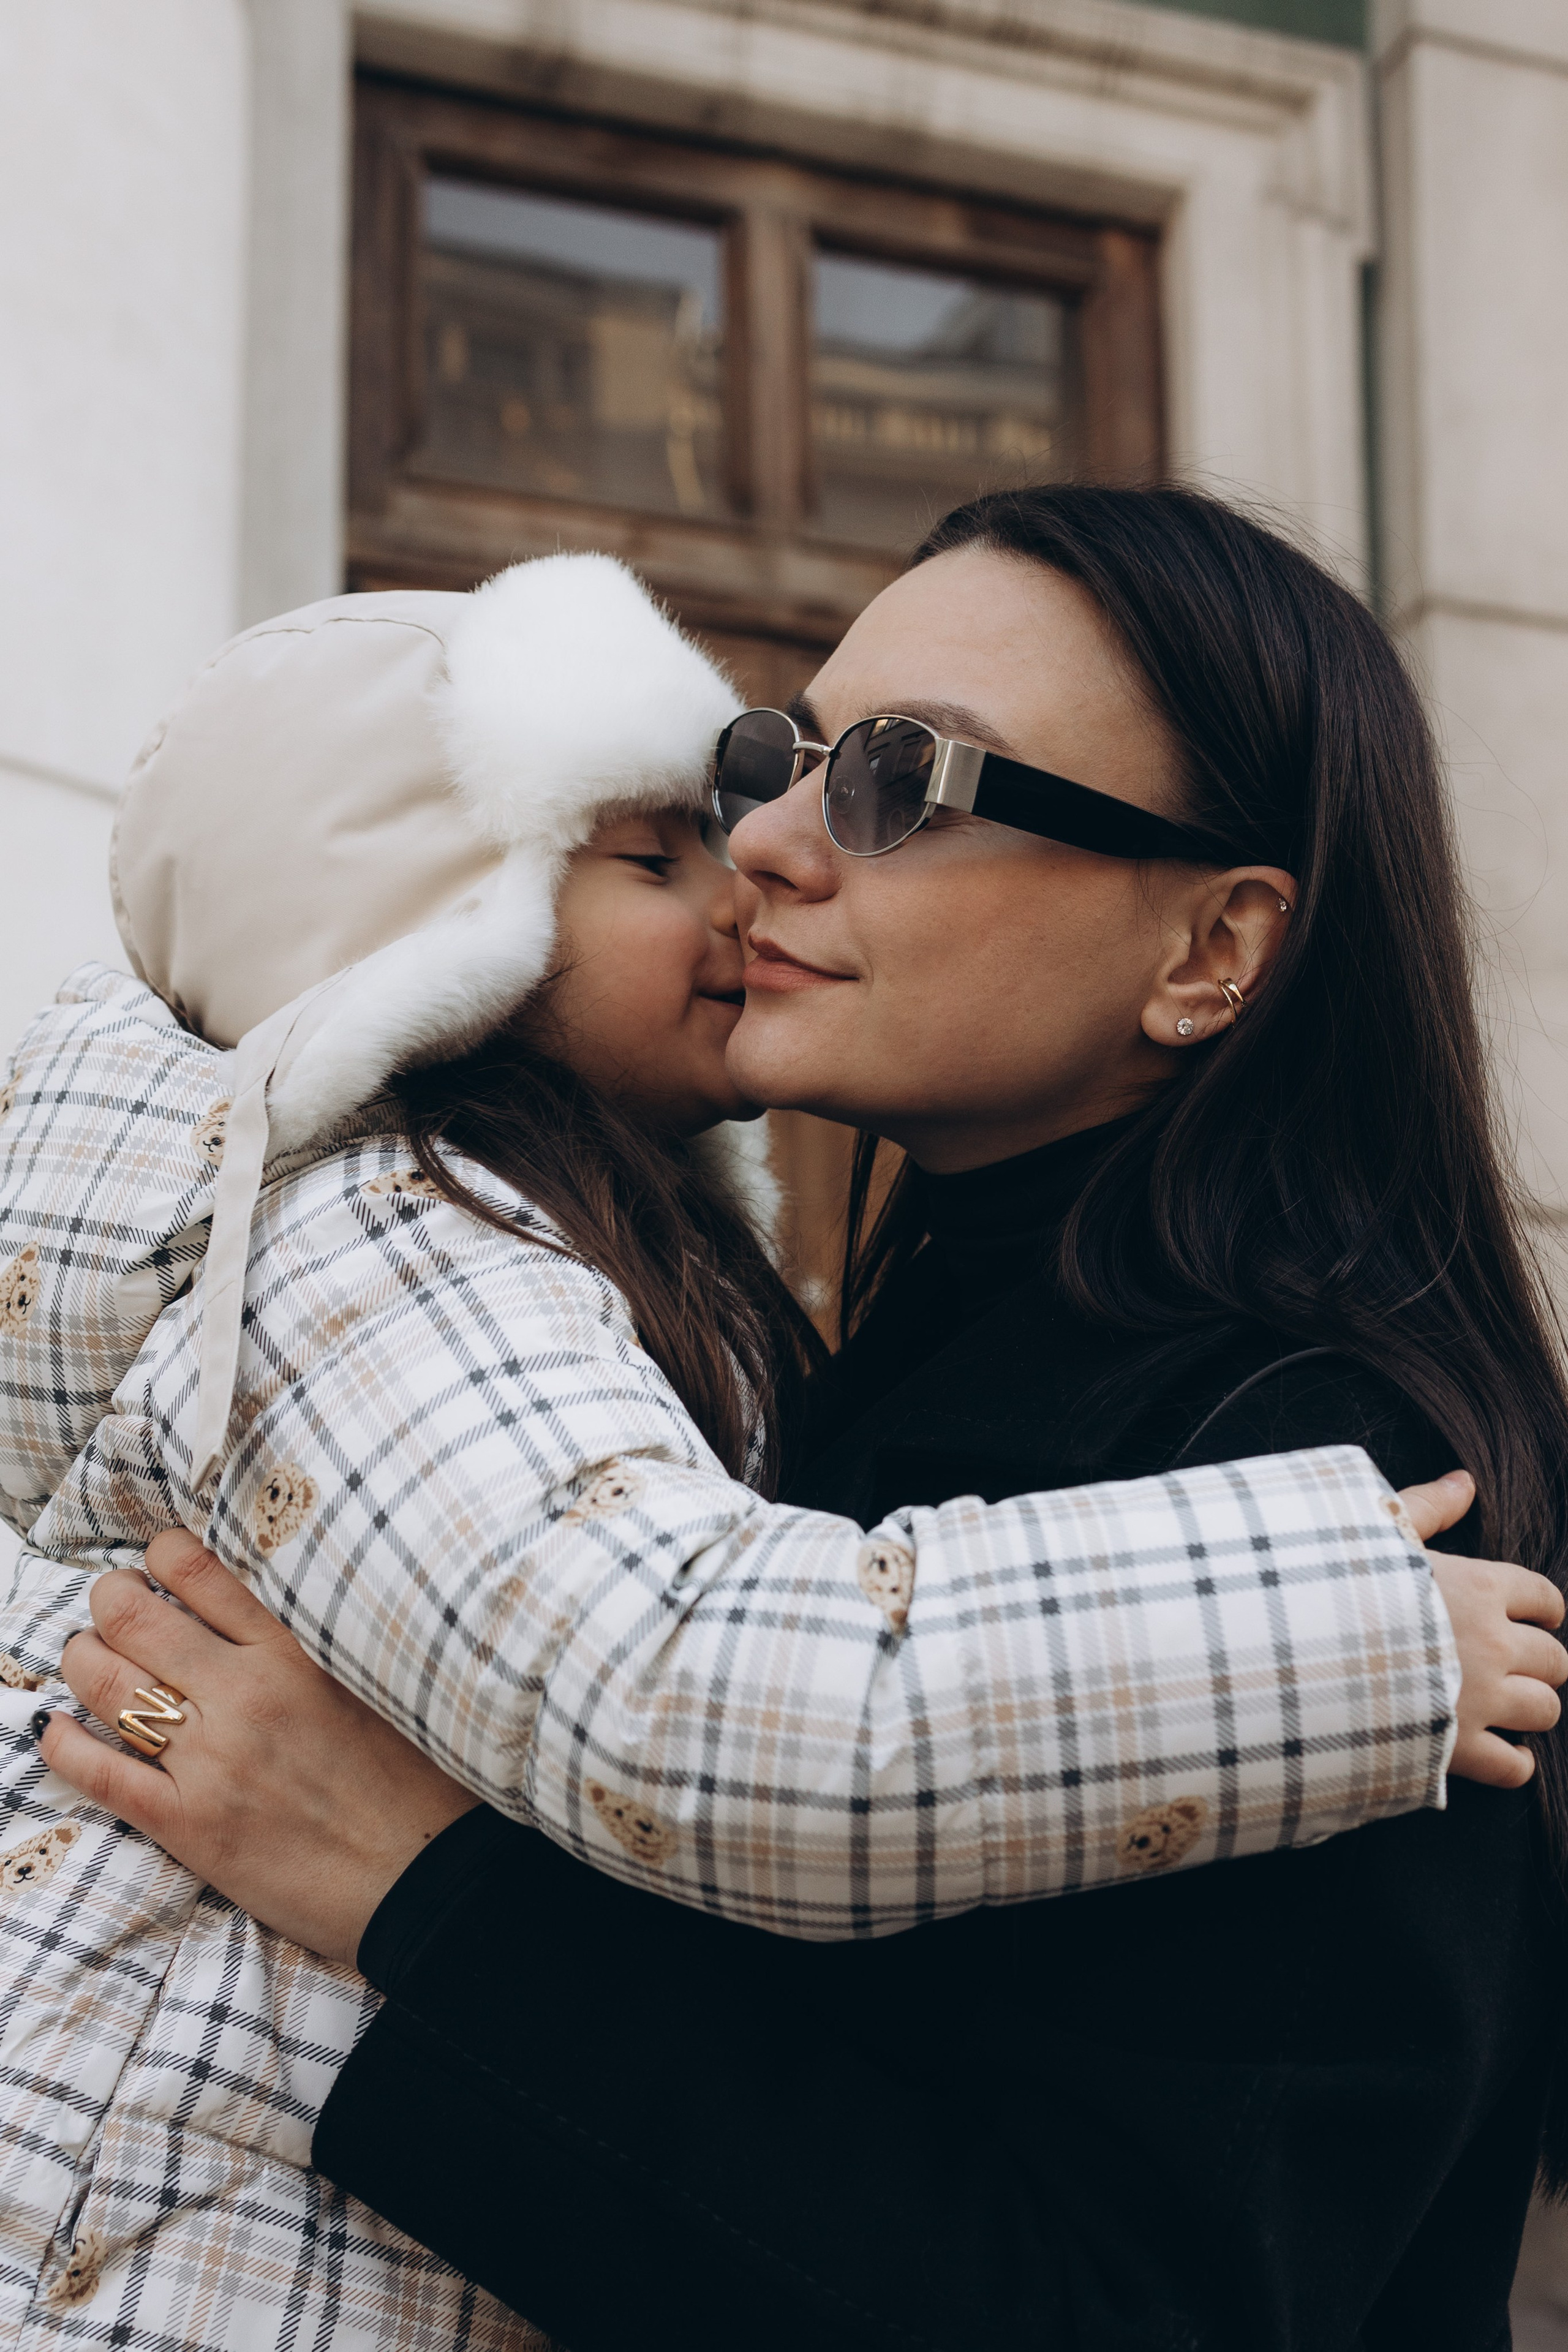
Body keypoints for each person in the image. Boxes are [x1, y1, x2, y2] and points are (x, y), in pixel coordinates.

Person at [43, 486, 1568, 2352]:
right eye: (796, 754)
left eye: (906, 778)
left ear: (1211, 950)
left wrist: (418, 1891)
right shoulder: (808, 1348)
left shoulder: (1334, 1490)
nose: (761, 840)